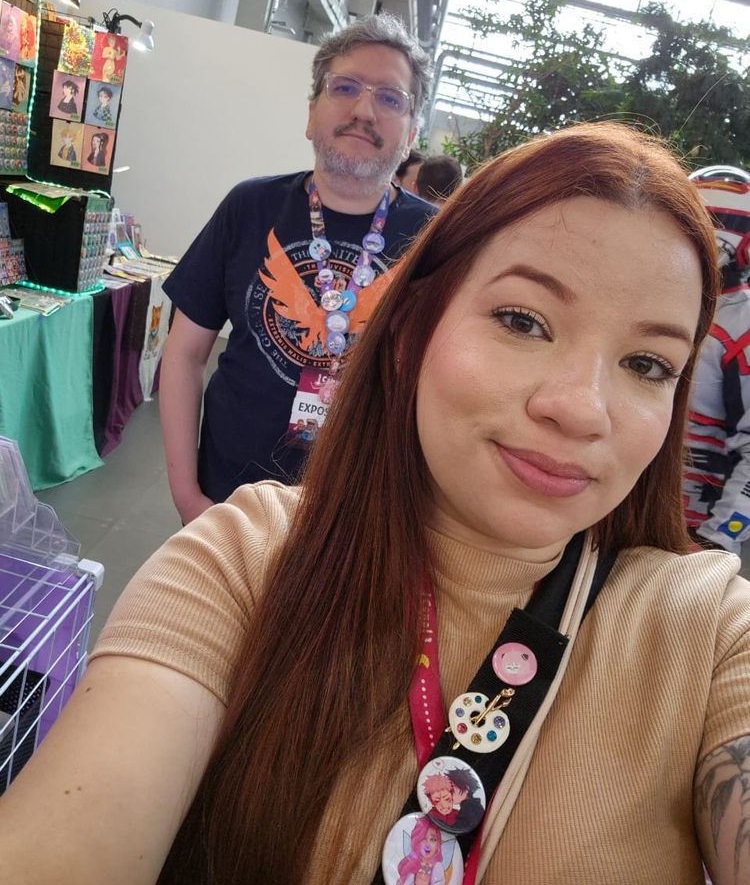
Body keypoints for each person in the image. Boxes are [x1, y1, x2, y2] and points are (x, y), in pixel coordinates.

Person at [1, 122, 749, 885]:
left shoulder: (709, 629)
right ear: (409, 332)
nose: (582, 409)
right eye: (523, 321)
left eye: (647, 364)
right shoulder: (246, 564)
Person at [159, 13, 435, 524]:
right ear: (311, 114)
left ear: (411, 133)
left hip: (359, 519)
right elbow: (183, 354)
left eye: (390, 98)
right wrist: (186, 494)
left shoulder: (436, 240)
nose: (363, 110)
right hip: (225, 502)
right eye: (345, 87)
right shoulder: (249, 206)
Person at [684, 165, 750, 553]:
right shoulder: (659, 300)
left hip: (695, 533)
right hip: (622, 511)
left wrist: (718, 538)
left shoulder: (742, 325)